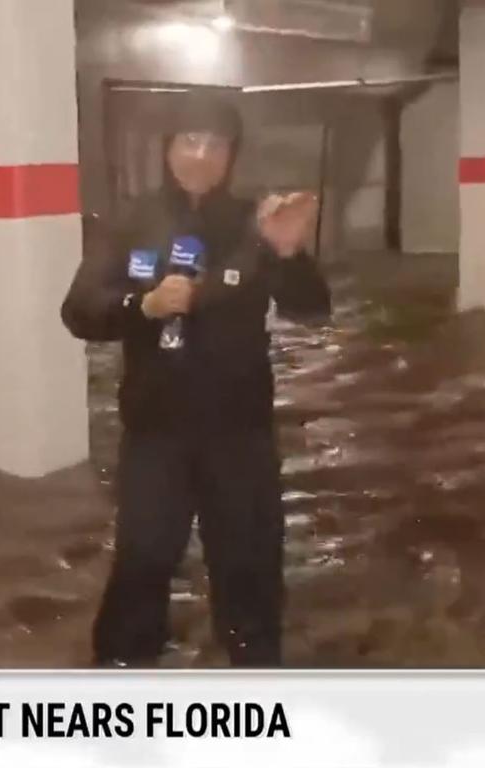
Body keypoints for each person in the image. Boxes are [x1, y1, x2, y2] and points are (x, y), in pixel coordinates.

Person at [61, 93, 331, 668]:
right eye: (190, 141)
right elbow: (80, 310)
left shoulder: (253, 222)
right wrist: (144, 304)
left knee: (249, 564)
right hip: (155, 431)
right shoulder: (131, 220)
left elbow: (312, 309)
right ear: (167, 148)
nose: (201, 155)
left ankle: (255, 685)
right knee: (143, 559)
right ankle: (121, 686)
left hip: (240, 433)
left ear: (233, 155)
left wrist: (288, 255)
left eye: (216, 144)